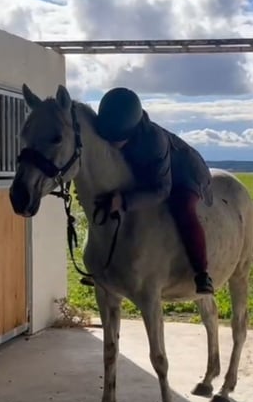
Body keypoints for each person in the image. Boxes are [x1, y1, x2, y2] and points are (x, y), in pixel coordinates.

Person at [89, 86, 215, 295]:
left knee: (183, 209)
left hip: (184, 174)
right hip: (150, 173)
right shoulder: (112, 128)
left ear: (132, 129)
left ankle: (201, 273)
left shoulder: (154, 140)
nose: (113, 142)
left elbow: (161, 189)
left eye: (118, 137)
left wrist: (123, 201)